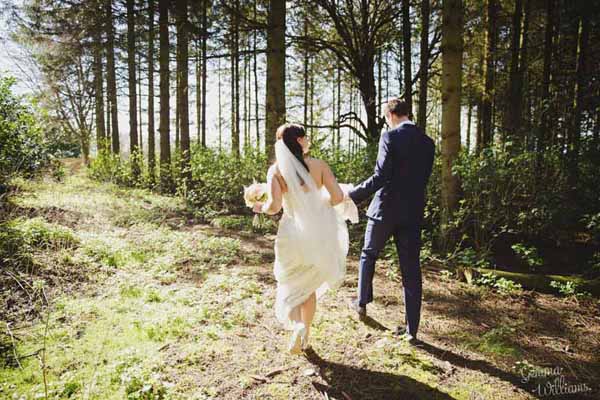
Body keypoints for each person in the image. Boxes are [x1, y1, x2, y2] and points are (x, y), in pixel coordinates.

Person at [252, 123, 356, 354]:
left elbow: (275, 206)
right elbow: (338, 197)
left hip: (291, 232)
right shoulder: (319, 165)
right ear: (299, 140)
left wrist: (259, 206)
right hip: (319, 233)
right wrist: (318, 206)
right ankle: (305, 331)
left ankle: (298, 326)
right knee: (308, 286)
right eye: (305, 136)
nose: (308, 140)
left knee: (292, 282)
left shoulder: (276, 171)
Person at [347, 98, 435, 344]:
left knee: (368, 253)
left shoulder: (389, 137)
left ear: (390, 115)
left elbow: (381, 176)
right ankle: (411, 330)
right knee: (411, 270)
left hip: (385, 210)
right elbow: (422, 179)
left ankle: (362, 303)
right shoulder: (428, 143)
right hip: (413, 213)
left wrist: (351, 195)